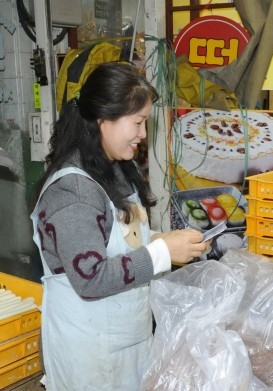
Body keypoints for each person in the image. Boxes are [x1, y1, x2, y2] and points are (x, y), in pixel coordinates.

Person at [30, 62, 209, 390]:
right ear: (103, 119)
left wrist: (162, 239)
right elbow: (91, 278)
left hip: (126, 342)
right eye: (138, 122)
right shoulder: (72, 190)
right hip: (89, 354)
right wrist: (161, 252)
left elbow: (119, 238)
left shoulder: (113, 169)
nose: (143, 134)